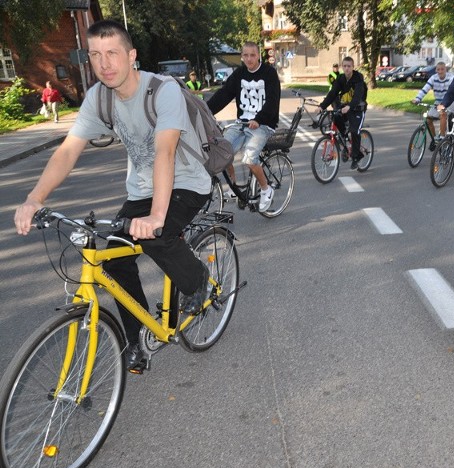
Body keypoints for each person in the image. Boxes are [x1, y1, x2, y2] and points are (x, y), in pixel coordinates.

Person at [14, 20, 213, 370]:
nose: (105, 64)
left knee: (158, 236)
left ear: (131, 55)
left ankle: (197, 281)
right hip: (141, 189)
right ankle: (136, 340)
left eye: (112, 54)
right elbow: (68, 150)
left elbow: (164, 153)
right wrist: (36, 198)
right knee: (116, 259)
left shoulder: (161, 91)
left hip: (185, 183)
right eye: (95, 55)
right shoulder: (99, 98)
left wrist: (156, 217)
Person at [207, 41, 281, 212]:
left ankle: (265, 189)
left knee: (249, 159)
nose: (249, 59)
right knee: (222, 153)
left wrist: (259, 119)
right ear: (242, 56)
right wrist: (207, 111)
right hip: (242, 123)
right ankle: (234, 188)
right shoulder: (239, 74)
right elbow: (224, 94)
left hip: (263, 124)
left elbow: (272, 101)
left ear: (258, 55)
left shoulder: (269, 74)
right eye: (245, 55)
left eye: (252, 55)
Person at [317, 56, 368, 170]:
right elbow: (332, 93)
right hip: (345, 108)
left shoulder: (358, 78)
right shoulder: (340, 78)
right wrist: (322, 106)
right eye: (344, 66)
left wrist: (350, 106)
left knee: (355, 131)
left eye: (349, 66)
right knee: (335, 118)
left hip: (358, 108)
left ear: (353, 67)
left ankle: (356, 156)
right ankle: (345, 143)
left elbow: (357, 96)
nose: (346, 68)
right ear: (342, 67)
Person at [411, 61, 454, 150]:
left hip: (449, 101)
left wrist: (444, 104)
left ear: (445, 69)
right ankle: (435, 139)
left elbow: (452, 92)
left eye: (442, 69)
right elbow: (425, 89)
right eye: (438, 69)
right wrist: (417, 99)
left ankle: (442, 138)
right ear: (436, 70)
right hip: (437, 102)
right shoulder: (433, 78)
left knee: (442, 114)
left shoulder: (451, 78)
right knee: (428, 119)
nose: (440, 71)